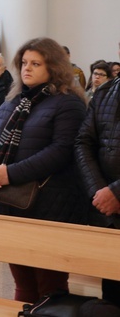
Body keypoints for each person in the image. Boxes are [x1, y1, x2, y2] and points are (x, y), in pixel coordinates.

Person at [0, 37, 87, 303]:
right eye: (24, 63)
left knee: (50, 285)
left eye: (36, 63)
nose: (27, 68)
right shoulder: (13, 101)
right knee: (22, 281)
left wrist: (9, 173)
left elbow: (60, 151)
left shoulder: (68, 103)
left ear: (54, 67)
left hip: (50, 203)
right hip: (10, 201)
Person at [75, 70, 120, 306]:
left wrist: (116, 193)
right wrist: (99, 191)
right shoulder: (105, 92)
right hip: (108, 214)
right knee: (112, 298)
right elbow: (83, 142)